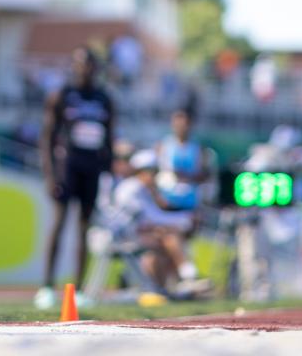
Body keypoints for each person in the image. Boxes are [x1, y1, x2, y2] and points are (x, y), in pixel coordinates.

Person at [34, 46, 114, 311]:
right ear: (73, 65)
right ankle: (46, 287)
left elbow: (110, 139)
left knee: (84, 228)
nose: (86, 68)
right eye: (81, 63)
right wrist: (49, 174)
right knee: (58, 223)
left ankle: (79, 289)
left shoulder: (104, 99)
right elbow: (46, 137)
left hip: (92, 169)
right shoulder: (63, 96)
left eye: (91, 64)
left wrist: (107, 171)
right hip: (67, 167)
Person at [113, 149, 210, 296]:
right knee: (170, 237)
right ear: (142, 171)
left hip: (134, 233)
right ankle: (188, 276)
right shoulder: (132, 188)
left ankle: (163, 287)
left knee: (167, 242)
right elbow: (151, 218)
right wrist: (186, 218)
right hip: (124, 236)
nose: (155, 176)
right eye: (153, 172)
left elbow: (154, 216)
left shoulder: (141, 189)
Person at [156, 108, 209, 211]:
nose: (181, 128)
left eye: (184, 124)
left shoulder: (198, 147)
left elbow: (203, 173)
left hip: (191, 197)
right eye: (177, 124)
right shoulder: (164, 145)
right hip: (167, 196)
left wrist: (189, 178)